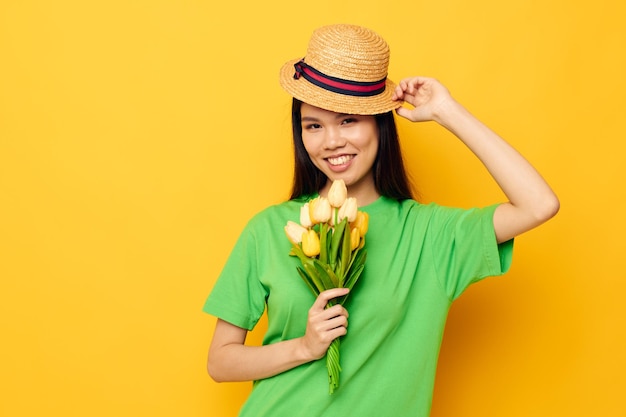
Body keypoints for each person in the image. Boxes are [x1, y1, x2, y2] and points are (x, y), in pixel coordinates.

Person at [203, 24, 559, 416]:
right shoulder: (271, 229)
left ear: (379, 123)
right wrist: (304, 347)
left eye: (348, 120)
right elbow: (220, 362)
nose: (332, 141)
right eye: (313, 126)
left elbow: (538, 204)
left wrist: (447, 112)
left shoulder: (428, 235)